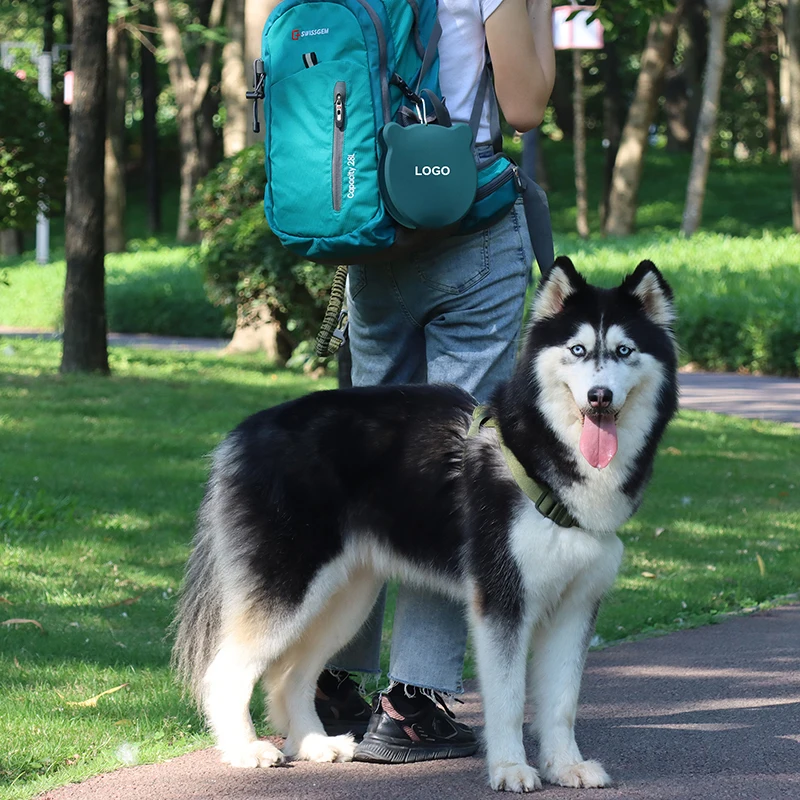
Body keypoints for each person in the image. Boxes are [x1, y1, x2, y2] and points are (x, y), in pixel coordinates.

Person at [314, 0, 556, 765]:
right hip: (467, 225)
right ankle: (412, 701)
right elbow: (524, 103)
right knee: (462, 467)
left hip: (372, 230)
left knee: (370, 466)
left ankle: (329, 681)